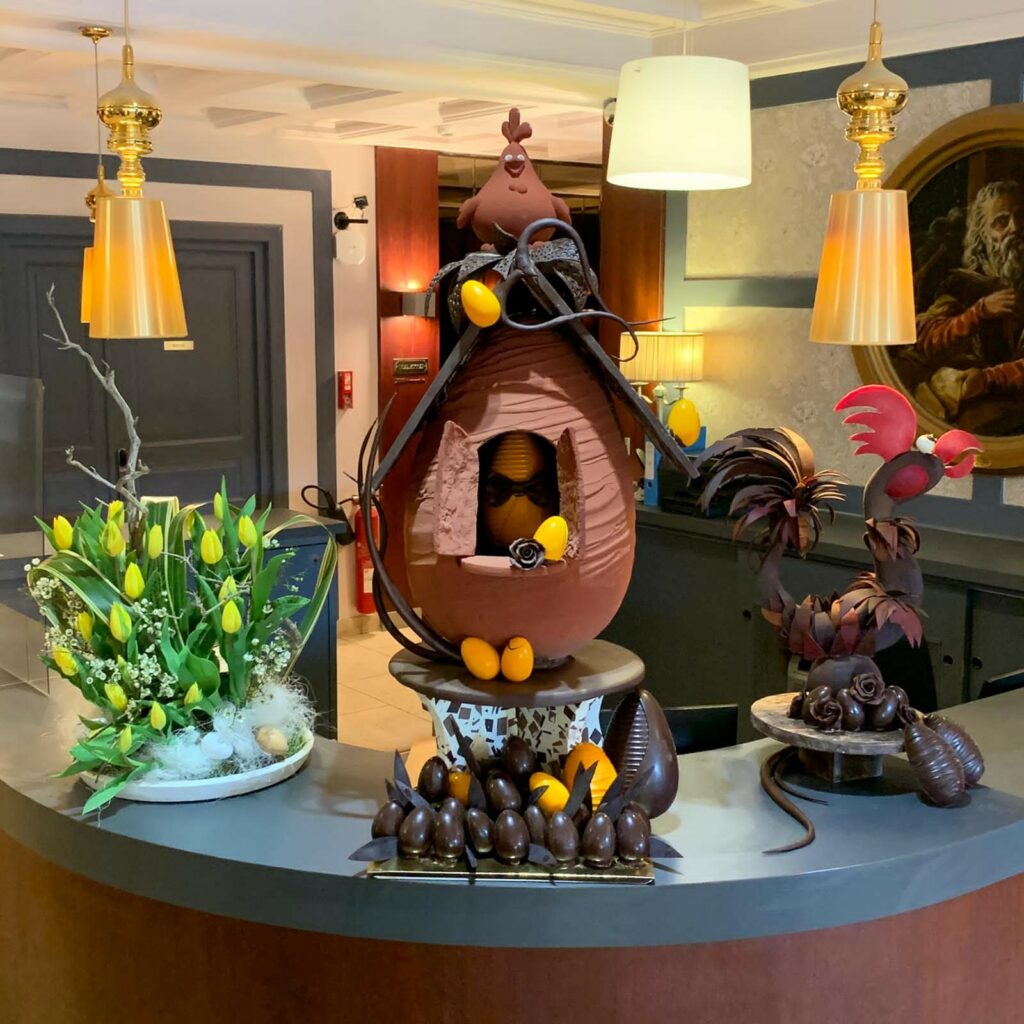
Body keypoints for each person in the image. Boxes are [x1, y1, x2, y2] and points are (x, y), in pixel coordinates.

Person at [908, 179, 1024, 434]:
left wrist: (988, 379)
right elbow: (926, 339)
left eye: (1020, 217)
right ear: (982, 237)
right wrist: (978, 312)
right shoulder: (963, 285)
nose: (1015, 228)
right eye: (1001, 222)